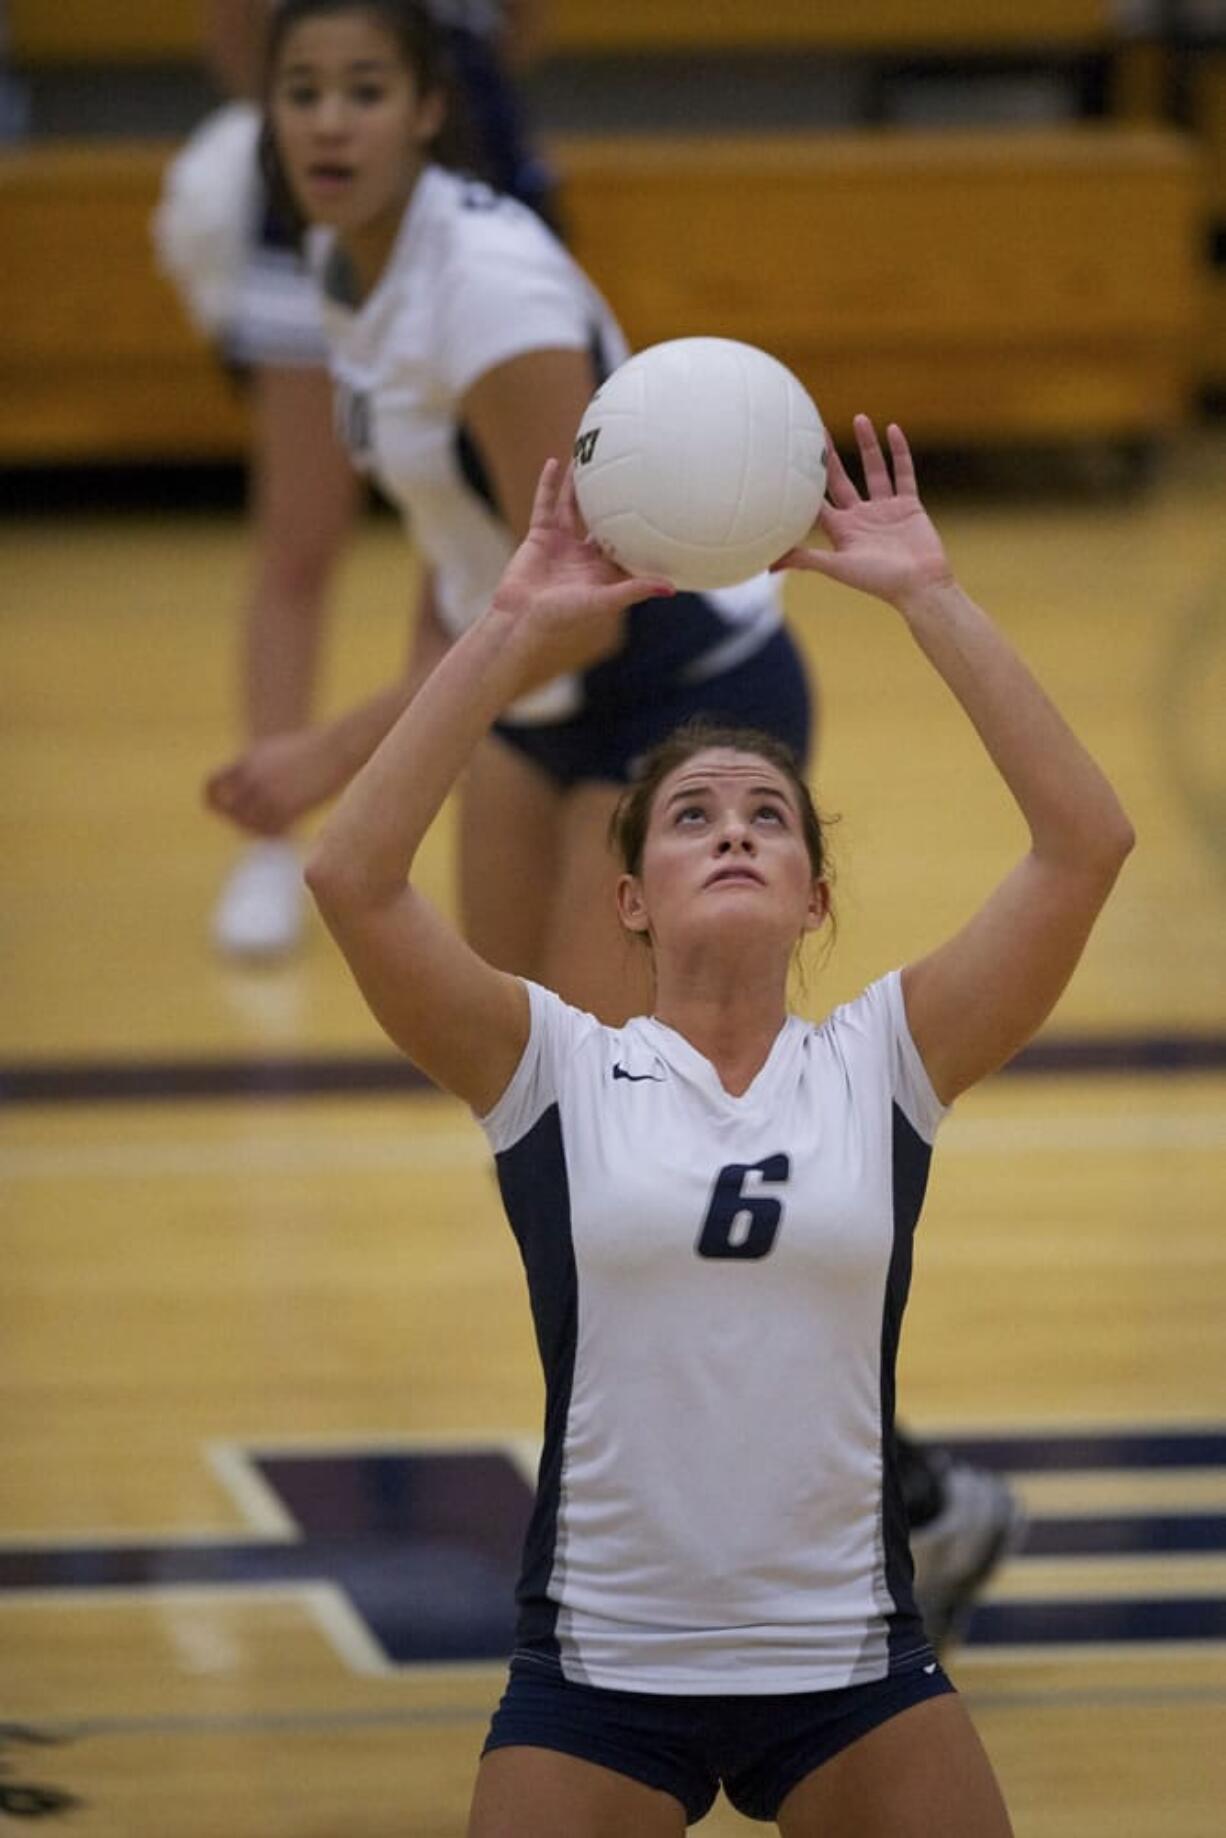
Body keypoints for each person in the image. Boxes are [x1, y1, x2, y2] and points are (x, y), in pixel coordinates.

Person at [203, 0, 1025, 1648]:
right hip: (538, 688)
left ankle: (877, 1494)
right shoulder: (349, 270)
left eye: (366, 88)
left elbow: (577, 601)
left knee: (632, 1132)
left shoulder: (490, 294)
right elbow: (480, 570)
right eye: (305, 91)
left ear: (434, 109)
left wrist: (325, 753)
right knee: (542, 1105)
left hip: (662, 689)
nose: (329, 120)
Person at [304, 426, 1134, 1833]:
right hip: (600, 1669)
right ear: (630, 896)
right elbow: (353, 874)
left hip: (850, 1665)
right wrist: (506, 632)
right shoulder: (553, 1070)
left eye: (769, 816)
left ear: (814, 896)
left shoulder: (881, 1060)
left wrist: (928, 594)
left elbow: (1083, 842)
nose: (736, 830)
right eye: (690, 817)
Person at [156, 0, 554, 960]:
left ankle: (433, 806)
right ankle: (266, 846)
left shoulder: (494, 263)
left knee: (468, 535)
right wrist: (339, 108)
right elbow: (234, 34)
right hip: (312, 229)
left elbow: (525, 25)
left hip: (476, 173)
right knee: (298, 543)